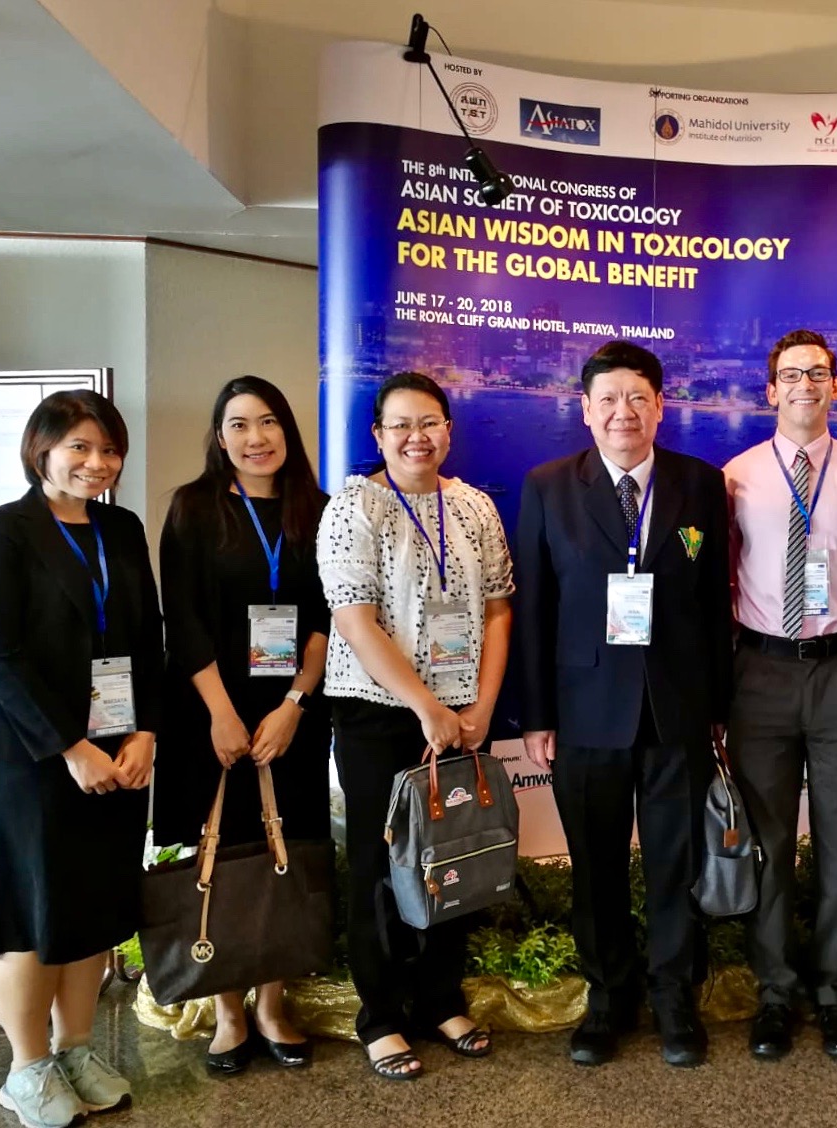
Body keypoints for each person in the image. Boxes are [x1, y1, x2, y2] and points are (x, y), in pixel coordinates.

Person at [515, 340, 733, 1068]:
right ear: (584, 410)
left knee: (675, 864)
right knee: (596, 866)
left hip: (676, 710)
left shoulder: (700, 485)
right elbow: (535, 609)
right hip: (583, 713)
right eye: (607, 399)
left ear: (660, 406)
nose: (623, 412)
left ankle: (675, 999)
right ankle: (607, 999)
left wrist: (719, 708)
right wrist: (538, 715)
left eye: (638, 398)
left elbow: (713, 604)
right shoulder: (548, 486)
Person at [0, 390, 161, 1128]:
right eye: (78, 446)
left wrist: (146, 732)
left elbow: (147, 641)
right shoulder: (3, 531)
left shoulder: (121, 527)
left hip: (119, 747)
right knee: (31, 913)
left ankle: (75, 1049)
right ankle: (27, 1068)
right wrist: (69, 745)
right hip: (29, 753)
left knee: (97, 907)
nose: (96, 463)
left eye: (108, 450)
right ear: (40, 448)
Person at [317, 371, 513, 1080]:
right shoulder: (354, 506)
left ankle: (439, 1000)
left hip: (462, 715)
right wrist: (424, 708)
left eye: (429, 422)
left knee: (454, 858)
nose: (415, 437)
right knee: (380, 866)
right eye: (400, 424)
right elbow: (354, 618)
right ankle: (380, 1016)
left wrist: (481, 707)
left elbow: (497, 608)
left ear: (449, 431)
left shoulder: (474, 507)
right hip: (377, 713)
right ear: (377, 434)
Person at [152, 376, 331, 1074]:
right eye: (238, 425)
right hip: (210, 712)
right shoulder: (194, 510)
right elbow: (184, 620)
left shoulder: (314, 510)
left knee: (288, 850)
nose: (255, 438)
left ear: (287, 430)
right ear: (219, 437)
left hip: (292, 712)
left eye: (267, 423)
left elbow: (324, 617)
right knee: (220, 856)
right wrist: (222, 715)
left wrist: (294, 703)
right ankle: (228, 1010)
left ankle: (272, 1003)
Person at [722, 329, 837, 1061]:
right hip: (759, 671)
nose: (804, 386)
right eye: (790, 375)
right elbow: (717, 580)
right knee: (767, 841)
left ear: (836, 386)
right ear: (770, 389)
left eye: (818, 374)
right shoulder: (735, 476)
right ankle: (776, 991)